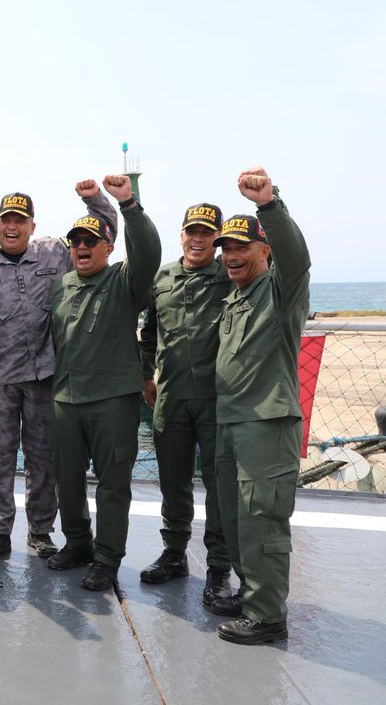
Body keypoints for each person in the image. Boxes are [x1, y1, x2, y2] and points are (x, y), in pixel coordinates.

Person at [0, 181, 116, 563]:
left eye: (20, 221)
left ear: (32, 225)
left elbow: (106, 227)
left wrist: (93, 196)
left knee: (43, 457)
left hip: (46, 377)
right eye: (6, 220)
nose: (12, 227)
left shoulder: (55, 253)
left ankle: (40, 531)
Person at [209, 168, 310, 645]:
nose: (231, 255)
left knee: (261, 520)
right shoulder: (235, 297)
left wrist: (270, 205)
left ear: (263, 250)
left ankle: (268, 615)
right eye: (225, 249)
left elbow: (297, 258)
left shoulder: (278, 288)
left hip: (266, 424)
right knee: (235, 519)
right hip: (232, 423)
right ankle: (252, 594)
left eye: (241, 247)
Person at [47, 175, 161, 592]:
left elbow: (148, 252)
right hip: (66, 400)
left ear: (109, 248)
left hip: (112, 402)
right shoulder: (60, 287)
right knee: (68, 481)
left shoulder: (125, 282)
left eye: (91, 241)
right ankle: (78, 543)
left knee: (113, 485)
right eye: (76, 241)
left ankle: (108, 558)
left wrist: (129, 206)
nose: (82, 247)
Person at [137, 203, 232, 605]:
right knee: (173, 483)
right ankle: (174, 554)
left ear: (217, 239)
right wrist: (146, 376)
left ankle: (219, 567)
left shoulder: (231, 276)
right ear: (181, 236)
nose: (197, 238)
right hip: (171, 398)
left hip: (216, 400)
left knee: (218, 486)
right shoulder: (161, 279)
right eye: (191, 231)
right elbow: (148, 331)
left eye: (206, 232)